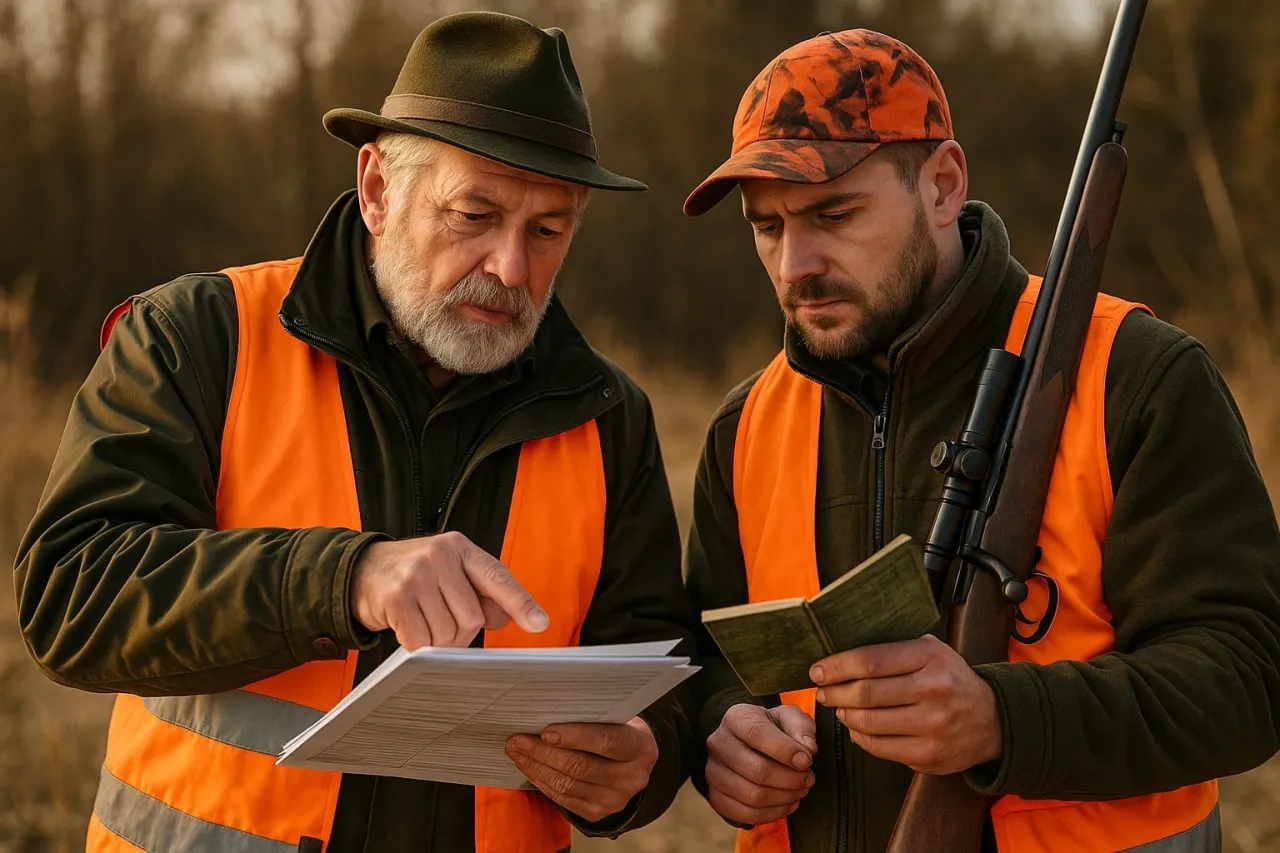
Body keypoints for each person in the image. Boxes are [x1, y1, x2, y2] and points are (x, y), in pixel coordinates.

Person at [14, 11, 699, 853]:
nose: (511, 267)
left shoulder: (609, 414)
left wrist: (644, 764)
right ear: (377, 189)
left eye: (548, 230)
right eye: (473, 214)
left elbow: (659, 670)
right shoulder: (199, 336)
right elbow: (70, 596)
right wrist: (345, 577)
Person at [680, 26, 1280, 853]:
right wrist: (721, 734)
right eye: (767, 227)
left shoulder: (1135, 374)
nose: (794, 266)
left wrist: (1001, 719)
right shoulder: (746, 425)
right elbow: (709, 663)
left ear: (943, 185)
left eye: (833, 214)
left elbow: (1249, 675)